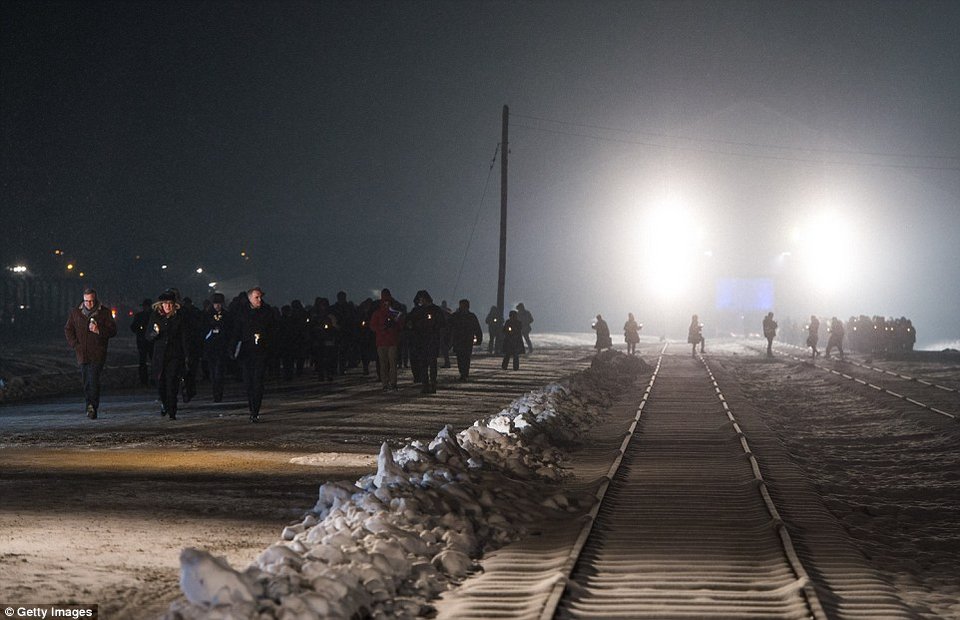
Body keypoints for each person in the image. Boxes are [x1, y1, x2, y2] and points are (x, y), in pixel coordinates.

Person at [64, 288, 118, 419]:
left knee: (93, 379)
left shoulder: (104, 312)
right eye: (87, 301)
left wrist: (99, 330)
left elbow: (113, 331)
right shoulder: (76, 313)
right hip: (82, 353)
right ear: (83, 300)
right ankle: (89, 404)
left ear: (96, 300)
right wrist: (75, 344)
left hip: (97, 352)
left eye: (92, 301)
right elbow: (68, 329)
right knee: (86, 381)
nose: (89, 304)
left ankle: (92, 406)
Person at [231, 287, 277, 422]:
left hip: (261, 352)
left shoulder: (267, 312)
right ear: (250, 298)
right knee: (248, 383)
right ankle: (252, 407)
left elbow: (273, 330)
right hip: (247, 352)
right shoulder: (242, 313)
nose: (259, 300)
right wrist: (232, 348)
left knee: (258, 382)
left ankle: (255, 410)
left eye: (260, 297)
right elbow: (236, 332)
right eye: (256, 297)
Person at [145, 290, 189, 420]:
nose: (168, 306)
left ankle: (172, 409)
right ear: (161, 305)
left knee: (172, 382)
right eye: (165, 303)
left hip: (174, 355)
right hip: (160, 356)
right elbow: (148, 336)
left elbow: (184, 338)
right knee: (161, 383)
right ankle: (164, 402)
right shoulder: (155, 317)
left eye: (170, 303)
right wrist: (154, 333)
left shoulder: (179, 318)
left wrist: (187, 355)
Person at [407, 290, 447, 394]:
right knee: (423, 364)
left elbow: (442, 323)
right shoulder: (417, 310)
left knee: (432, 364)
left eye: (422, 299)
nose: (421, 301)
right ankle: (425, 384)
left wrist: (432, 326)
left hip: (432, 340)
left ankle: (432, 384)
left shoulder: (435, 310)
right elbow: (409, 321)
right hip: (421, 340)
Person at [369, 289, 404, 391]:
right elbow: (372, 326)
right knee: (384, 364)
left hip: (390, 341)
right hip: (383, 341)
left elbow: (401, 325)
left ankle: (392, 383)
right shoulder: (378, 313)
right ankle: (386, 383)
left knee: (391, 363)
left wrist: (395, 324)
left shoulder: (394, 313)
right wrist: (382, 328)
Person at [203, 292, 231, 401]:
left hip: (221, 347)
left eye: (219, 303)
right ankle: (216, 392)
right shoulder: (207, 315)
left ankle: (219, 393)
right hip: (211, 347)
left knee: (219, 372)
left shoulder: (226, 315)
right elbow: (203, 329)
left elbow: (229, 329)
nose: (217, 306)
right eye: (215, 303)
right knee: (213, 372)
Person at [448, 299, 483, 380]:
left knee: (466, 357)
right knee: (460, 357)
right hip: (459, 339)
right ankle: (463, 372)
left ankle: (465, 373)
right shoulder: (457, 316)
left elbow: (477, 328)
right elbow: (449, 325)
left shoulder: (470, 316)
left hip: (466, 340)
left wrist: (479, 339)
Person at [129, 298, 154, 386]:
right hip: (146, 341)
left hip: (147, 341)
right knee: (146, 361)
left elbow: (133, 327)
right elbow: (133, 327)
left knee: (149, 361)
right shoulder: (150, 316)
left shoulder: (150, 316)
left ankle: (148, 380)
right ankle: (146, 380)